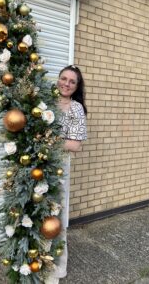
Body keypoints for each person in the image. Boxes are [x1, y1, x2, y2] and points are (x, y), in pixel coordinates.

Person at [45, 65, 87, 284]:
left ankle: (58, 267)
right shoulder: (44, 102)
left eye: (72, 81)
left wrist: (48, 141)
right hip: (36, 163)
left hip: (59, 168)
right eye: (64, 79)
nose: (67, 84)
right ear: (58, 79)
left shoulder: (76, 108)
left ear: (77, 87)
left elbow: (74, 145)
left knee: (57, 217)